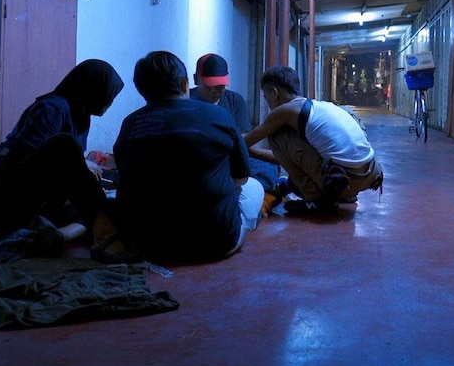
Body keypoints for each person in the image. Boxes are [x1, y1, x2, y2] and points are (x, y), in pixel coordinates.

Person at [0, 59, 135, 261]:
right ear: (93, 88)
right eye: (109, 95)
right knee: (68, 151)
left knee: (107, 204)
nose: (110, 102)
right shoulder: (52, 108)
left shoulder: (79, 116)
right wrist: (77, 175)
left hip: (31, 202)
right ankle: (105, 231)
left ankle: (59, 235)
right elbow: (26, 162)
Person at [113, 50, 264, 263]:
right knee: (254, 187)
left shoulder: (130, 124)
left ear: (141, 90)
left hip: (148, 244)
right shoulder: (219, 115)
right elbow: (241, 178)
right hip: (215, 241)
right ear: (187, 83)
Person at [244, 65, 384, 216]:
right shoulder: (321, 107)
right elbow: (287, 159)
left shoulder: (284, 111)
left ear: (275, 92)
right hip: (368, 175)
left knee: (277, 135)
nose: (268, 103)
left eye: (266, 97)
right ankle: (342, 194)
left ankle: (315, 201)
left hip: (347, 177)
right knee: (293, 183)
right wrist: (253, 153)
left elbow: (245, 142)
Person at [190, 53, 283, 213]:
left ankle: (264, 197)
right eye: (209, 85)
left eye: (220, 86)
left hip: (229, 158)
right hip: (200, 160)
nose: (215, 91)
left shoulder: (234, 100)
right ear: (196, 79)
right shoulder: (186, 100)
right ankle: (261, 196)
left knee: (269, 167)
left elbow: (244, 140)